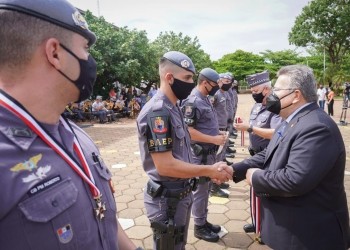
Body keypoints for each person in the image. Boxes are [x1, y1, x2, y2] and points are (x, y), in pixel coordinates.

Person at [0, 0, 141, 249]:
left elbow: (101, 212)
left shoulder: (74, 133)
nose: (90, 60)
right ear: (55, 53)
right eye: (86, 48)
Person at [232, 65, 350, 249]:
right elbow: (270, 153)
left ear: (296, 95)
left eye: (277, 90)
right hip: (294, 229)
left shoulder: (316, 127)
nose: (271, 95)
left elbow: (295, 180)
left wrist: (255, 177)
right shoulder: (294, 119)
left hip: (309, 236)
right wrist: (235, 170)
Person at [136, 51, 233, 250]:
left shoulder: (173, 107)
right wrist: (208, 170)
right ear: (169, 78)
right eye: (187, 78)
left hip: (180, 193)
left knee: (178, 244)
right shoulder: (159, 112)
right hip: (167, 199)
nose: (192, 82)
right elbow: (165, 166)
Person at [181, 68, 227, 242]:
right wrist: (214, 139)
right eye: (215, 84)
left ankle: (203, 220)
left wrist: (217, 139)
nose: (217, 88)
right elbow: (189, 132)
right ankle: (199, 227)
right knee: (200, 190)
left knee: (206, 189)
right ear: (205, 82)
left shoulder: (205, 98)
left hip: (209, 153)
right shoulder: (193, 101)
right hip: (199, 154)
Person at [234, 71, 282, 237]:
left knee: (266, 193)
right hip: (255, 154)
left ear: (267, 89)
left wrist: (249, 128)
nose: (253, 94)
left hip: (268, 156)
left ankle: (266, 228)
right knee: (255, 192)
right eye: (252, 91)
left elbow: (276, 133)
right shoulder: (256, 106)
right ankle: (257, 222)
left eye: (256, 91)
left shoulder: (275, 108)